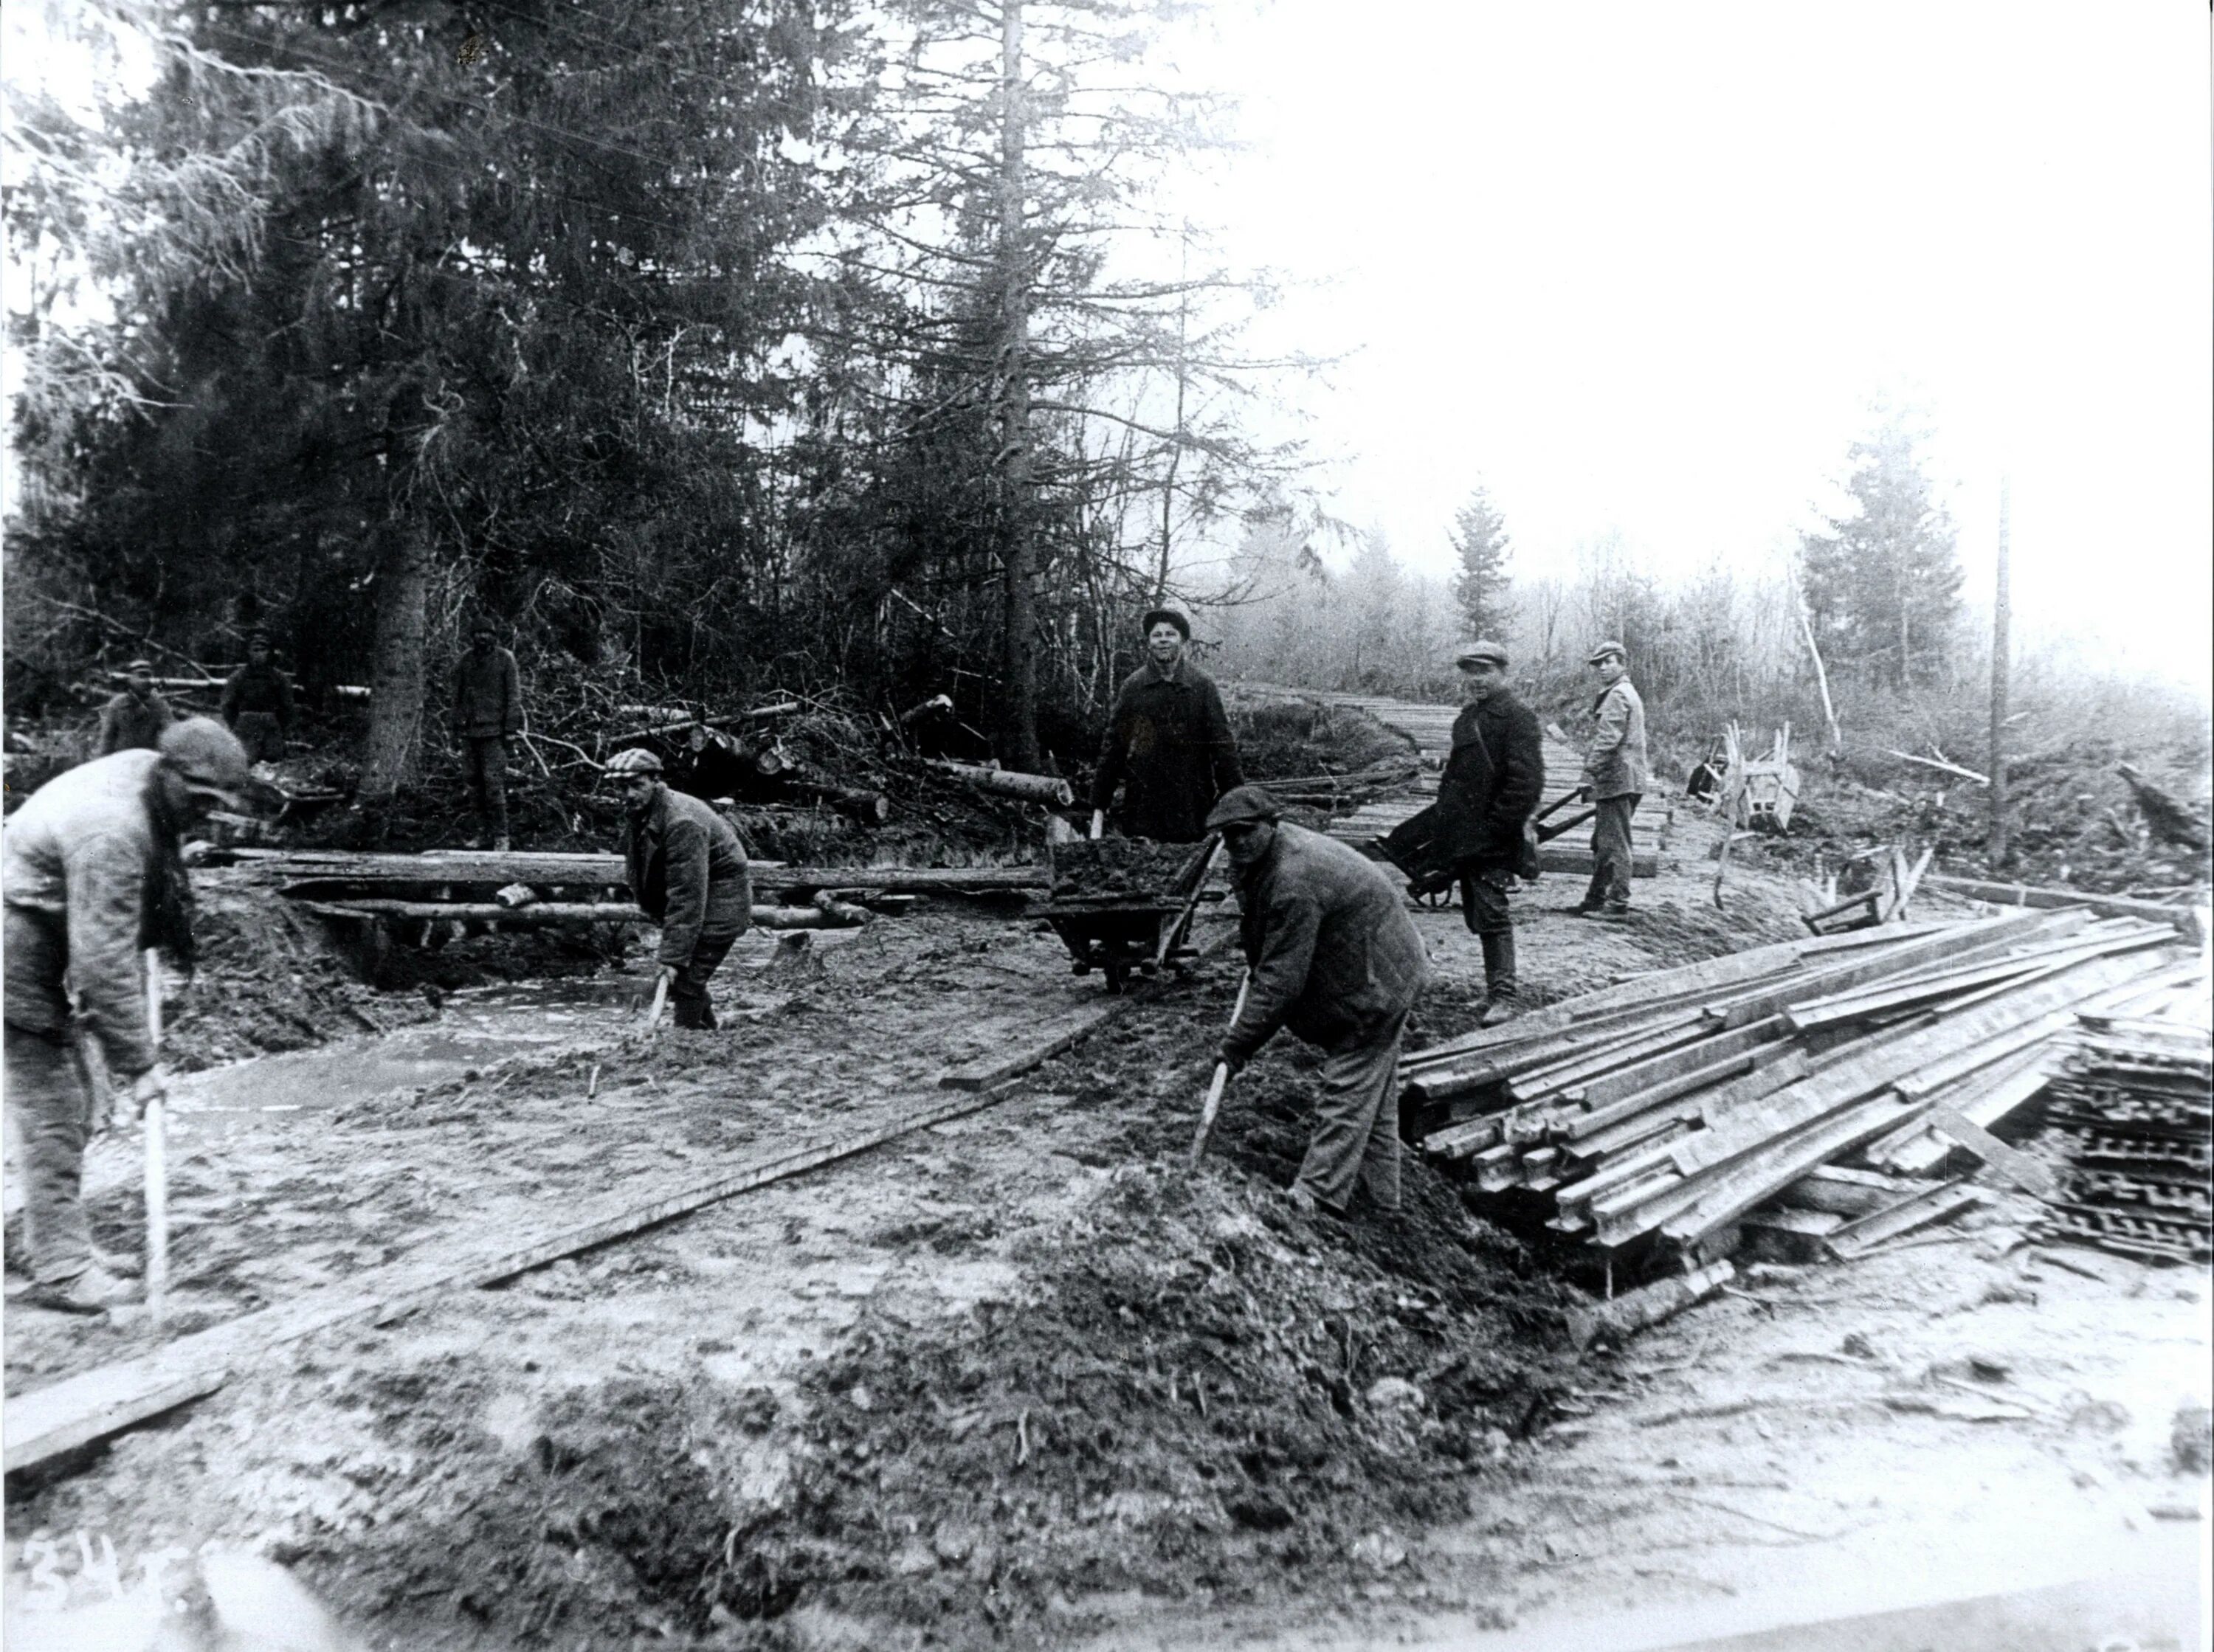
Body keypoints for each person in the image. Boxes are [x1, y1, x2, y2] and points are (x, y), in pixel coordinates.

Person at [3, 717, 254, 1313]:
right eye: (198, 802)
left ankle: (52, 1237)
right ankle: (62, 1268)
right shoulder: (111, 833)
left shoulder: (149, 776)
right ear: (171, 776)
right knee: (56, 1108)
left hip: (46, 921)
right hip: (17, 941)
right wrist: (140, 1065)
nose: (202, 816)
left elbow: (149, 876)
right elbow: (100, 961)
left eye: (214, 806)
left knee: (82, 1100)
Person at [1208, 784, 1430, 1218]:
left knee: (1347, 1088)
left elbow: (1281, 980)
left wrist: (1237, 1046)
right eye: (1228, 835)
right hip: (1369, 962)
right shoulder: (1266, 857)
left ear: (1271, 825)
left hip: (1378, 984)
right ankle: (1383, 1204)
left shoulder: (1296, 878)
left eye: (1244, 832)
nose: (1236, 842)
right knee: (1374, 1098)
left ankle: (1315, 1198)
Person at [1434, 640, 1543, 1019]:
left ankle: (1505, 998)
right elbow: (1454, 777)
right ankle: (1491, 993)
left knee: (1493, 914)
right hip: (1465, 834)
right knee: (1478, 914)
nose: (1476, 680)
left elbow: (1526, 785)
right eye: (1470, 672)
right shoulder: (1467, 719)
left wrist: (1497, 829)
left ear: (1502, 673)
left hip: (1495, 836)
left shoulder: (1518, 718)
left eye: (1485, 671)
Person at [607, 747, 751, 1030]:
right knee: (689, 980)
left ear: (655, 780)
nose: (629, 794)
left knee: (685, 981)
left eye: (637, 785)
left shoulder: (682, 822)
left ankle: (683, 1045)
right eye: (622, 787)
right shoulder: (645, 811)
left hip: (721, 906)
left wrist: (672, 957)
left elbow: (688, 894)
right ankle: (707, 1036)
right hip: (700, 905)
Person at [1089, 607, 1245, 843]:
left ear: (1182, 640)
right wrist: (1099, 804)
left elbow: (1223, 748)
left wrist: (1238, 803)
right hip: (1144, 808)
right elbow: (1114, 748)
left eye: (1170, 634)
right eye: (1157, 635)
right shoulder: (1134, 687)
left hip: (1192, 807)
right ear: (1149, 642)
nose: (1163, 640)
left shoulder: (1201, 686)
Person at [1576, 640, 1648, 919]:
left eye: (1610, 662)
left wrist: (1589, 773)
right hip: (1626, 778)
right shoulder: (1627, 692)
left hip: (1617, 779)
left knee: (1615, 844)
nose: (1603, 668)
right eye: (1599, 664)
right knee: (1603, 843)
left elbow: (1608, 739)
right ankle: (1595, 899)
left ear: (1623, 664)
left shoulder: (1618, 695)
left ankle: (1617, 904)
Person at [452, 618, 523, 851]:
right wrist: (456, 728)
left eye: (487, 633)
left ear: (494, 636)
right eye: (477, 633)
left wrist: (511, 730)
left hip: (494, 733)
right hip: (470, 733)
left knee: (494, 785)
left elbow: (514, 697)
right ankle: (482, 833)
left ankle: (501, 837)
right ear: (471, 636)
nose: (482, 637)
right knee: (474, 785)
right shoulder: (465, 661)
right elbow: (457, 698)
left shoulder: (505, 659)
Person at [219, 632, 297, 763]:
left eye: (263, 650)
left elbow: (287, 706)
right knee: (244, 761)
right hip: (245, 726)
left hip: (271, 726)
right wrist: (238, 724)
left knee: (274, 762)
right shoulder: (238, 677)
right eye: (255, 650)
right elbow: (228, 705)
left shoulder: (279, 678)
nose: (259, 654)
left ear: (269, 653)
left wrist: (279, 726)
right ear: (249, 652)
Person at [94, 660, 173, 756]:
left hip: (148, 762)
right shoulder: (117, 704)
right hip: (122, 761)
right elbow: (107, 739)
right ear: (130, 680)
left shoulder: (159, 705)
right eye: (142, 676)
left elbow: (171, 734)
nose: (147, 682)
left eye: (149, 676)